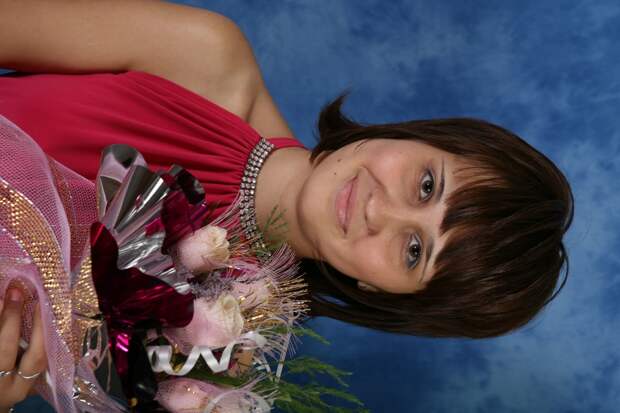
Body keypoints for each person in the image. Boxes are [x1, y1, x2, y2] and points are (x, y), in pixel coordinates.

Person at [0, 0, 574, 411]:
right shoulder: (205, 54)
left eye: (414, 251)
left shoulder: (218, 348)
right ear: (420, 135)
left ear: (381, 292)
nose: (380, 212)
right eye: (426, 185)